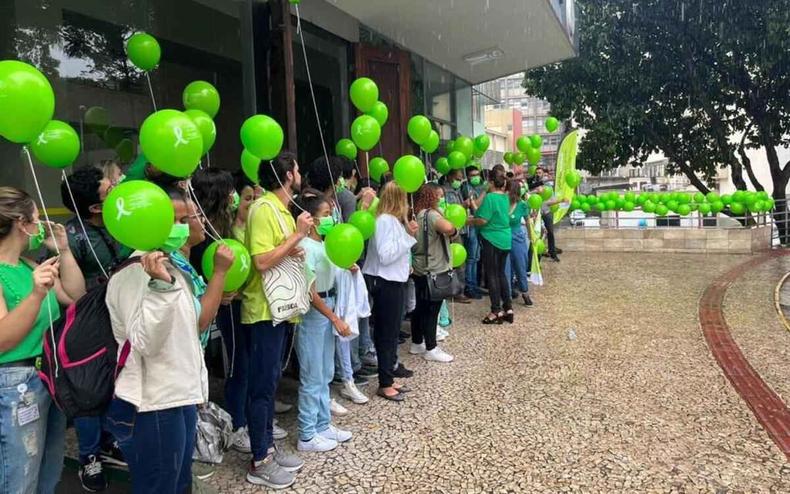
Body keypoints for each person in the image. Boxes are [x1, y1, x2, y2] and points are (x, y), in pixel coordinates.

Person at [104, 186, 233, 494]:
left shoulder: (171, 266)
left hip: (178, 396)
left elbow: (190, 328)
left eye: (183, 219)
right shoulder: (133, 275)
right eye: (173, 220)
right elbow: (144, 342)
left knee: (178, 481)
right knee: (160, 484)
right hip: (153, 404)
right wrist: (161, 288)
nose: (182, 227)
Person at [0, 187, 86, 493]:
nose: (41, 227)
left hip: (46, 377)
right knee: (19, 480)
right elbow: (3, 339)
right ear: (21, 223)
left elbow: (75, 297)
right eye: (37, 219)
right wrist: (36, 294)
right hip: (14, 384)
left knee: (48, 473)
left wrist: (63, 249)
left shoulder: (29, 266)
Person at [241, 152, 312, 489]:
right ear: (287, 175)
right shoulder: (263, 209)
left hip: (281, 309)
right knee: (261, 386)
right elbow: (261, 261)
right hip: (264, 310)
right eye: (296, 169)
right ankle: (259, 459)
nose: (299, 174)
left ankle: (268, 447)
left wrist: (293, 245)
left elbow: (279, 251)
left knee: (270, 384)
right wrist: (296, 237)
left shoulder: (280, 209)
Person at [60, 164, 131, 491]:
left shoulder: (123, 222)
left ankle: (108, 439)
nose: (117, 188)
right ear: (94, 208)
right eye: (109, 189)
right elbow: (60, 285)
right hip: (87, 324)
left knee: (114, 384)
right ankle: (89, 457)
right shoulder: (71, 237)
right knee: (89, 391)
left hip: (121, 317)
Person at [288, 190, 355, 453]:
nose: (331, 219)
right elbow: (310, 290)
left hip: (329, 307)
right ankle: (306, 433)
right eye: (326, 215)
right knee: (312, 374)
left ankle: (322, 424)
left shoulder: (325, 244)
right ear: (312, 220)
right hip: (315, 314)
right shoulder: (305, 247)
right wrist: (334, 317)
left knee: (325, 371)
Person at [362, 182, 418, 402]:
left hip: (393, 280)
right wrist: (408, 237)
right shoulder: (385, 221)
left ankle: (389, 376)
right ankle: (385, 383)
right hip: (385, 283)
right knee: (386, 333)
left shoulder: (391, 221)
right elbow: (386, 255)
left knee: (392, 332)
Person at [409, 184, 458, 363]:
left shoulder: (418, 215)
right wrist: (454, 229)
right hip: (434, 268)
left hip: (420, 267)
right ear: (430, 197)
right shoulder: (431, 215)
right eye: (438, 196)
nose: (440, 199)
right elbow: (446, 228)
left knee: (420, 307)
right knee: (432, 309)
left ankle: (416, 342)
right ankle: (431, 347)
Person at [469, 170, 513, 324]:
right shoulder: (505, 197)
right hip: (505, 239)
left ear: (491, 183)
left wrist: (468, 222)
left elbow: (483, 220)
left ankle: (496, 310)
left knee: (492, 275)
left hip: (492, 239)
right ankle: (508, 307)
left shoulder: (490, 197)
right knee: (501, 273)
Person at [440, 168, 470, 304]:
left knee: (460, 260)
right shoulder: (445, 192)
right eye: (458, 178)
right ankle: (457, 291)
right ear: (450, 177)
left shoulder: (457, 190)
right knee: (457, 262)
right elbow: (451, 211)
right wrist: (463, 206)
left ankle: (457, 289)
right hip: (451, 229)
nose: (460, 181)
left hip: (460, 229)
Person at [504, 180, 534, 306]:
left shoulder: (522, 205)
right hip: (503, 238)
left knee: (520, 266)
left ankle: (525, 292)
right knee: (506, 269)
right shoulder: (501, 203)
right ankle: (508, 295)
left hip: (517, 237)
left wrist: (532, 237)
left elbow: (527, 221)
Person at [461, 166, 486, 299]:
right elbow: (474, 206)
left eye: (477, 174)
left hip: (480, 224)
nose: (476, 177)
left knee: (476, 258)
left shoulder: (482, 186)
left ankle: (475, 285)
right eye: (472, 175)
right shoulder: (466, 188)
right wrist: (483, 194)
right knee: (471, 258)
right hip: (471, 225)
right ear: (468, 176)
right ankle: (469, 287)